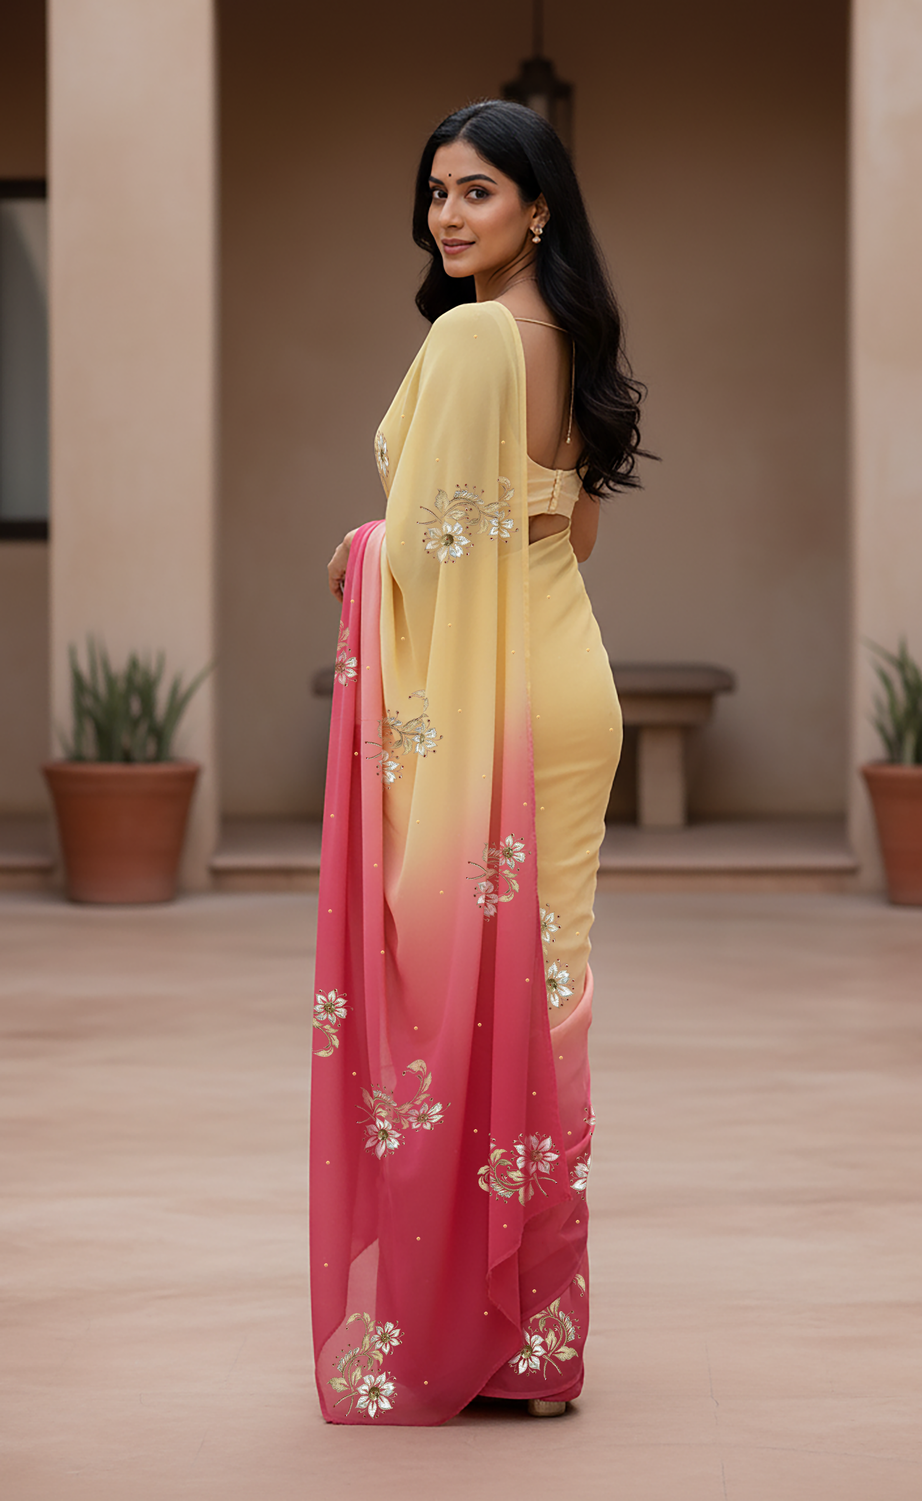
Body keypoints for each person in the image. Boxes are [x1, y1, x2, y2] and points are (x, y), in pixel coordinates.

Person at [311, 99, 648, 1426]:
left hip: (500, 698)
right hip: (569, 678)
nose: (449, 215)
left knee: (461, 989)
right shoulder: (573, 337)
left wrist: (358, 556)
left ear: (537, 206)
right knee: (546, 995)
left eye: (478, 192)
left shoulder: (470, 339)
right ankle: (536, 1345)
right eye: (438, 190)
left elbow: (425, 545)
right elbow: (574, 535)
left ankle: (477, 1326)